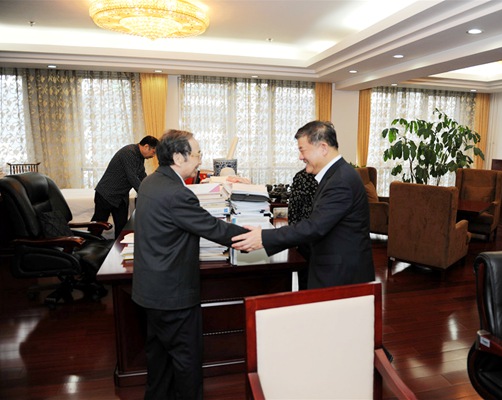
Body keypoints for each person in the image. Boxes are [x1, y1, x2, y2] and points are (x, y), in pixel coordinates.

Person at [131, 129, 248, 400]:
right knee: (187, 361)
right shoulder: (177, 194)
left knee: (159, 359)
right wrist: (257, 236)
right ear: (178, 157)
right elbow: (214, 229)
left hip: (150, 291)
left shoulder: (151, 182)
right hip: (173, 296)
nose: (200, 160)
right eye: (197, 154)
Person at [232, 120, 375, 289]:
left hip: (342, 276)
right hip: (334, 269)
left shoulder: (341, 180)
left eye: (302, 150)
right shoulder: (335, 175)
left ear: (323, 148)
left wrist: (264, 237)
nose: (300, 157)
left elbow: (314, 227)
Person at [92, 135, 159, 237]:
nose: (153, 156)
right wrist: (146, 194)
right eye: (153, 152)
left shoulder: (140, 156)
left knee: (122, 228)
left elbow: (142, 175)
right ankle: (88, 245)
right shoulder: (129, 152)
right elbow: (132, 177)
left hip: (121, 197)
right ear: (146, 147)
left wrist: (151, 189)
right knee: (97, 226)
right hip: (106, 194)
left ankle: (119, 247)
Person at [287, 168, 318, 290]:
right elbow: (294, 209)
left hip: (325, 237)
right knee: (306, 276)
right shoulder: (301, 177)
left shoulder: (335, 177)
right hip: (306, 236)